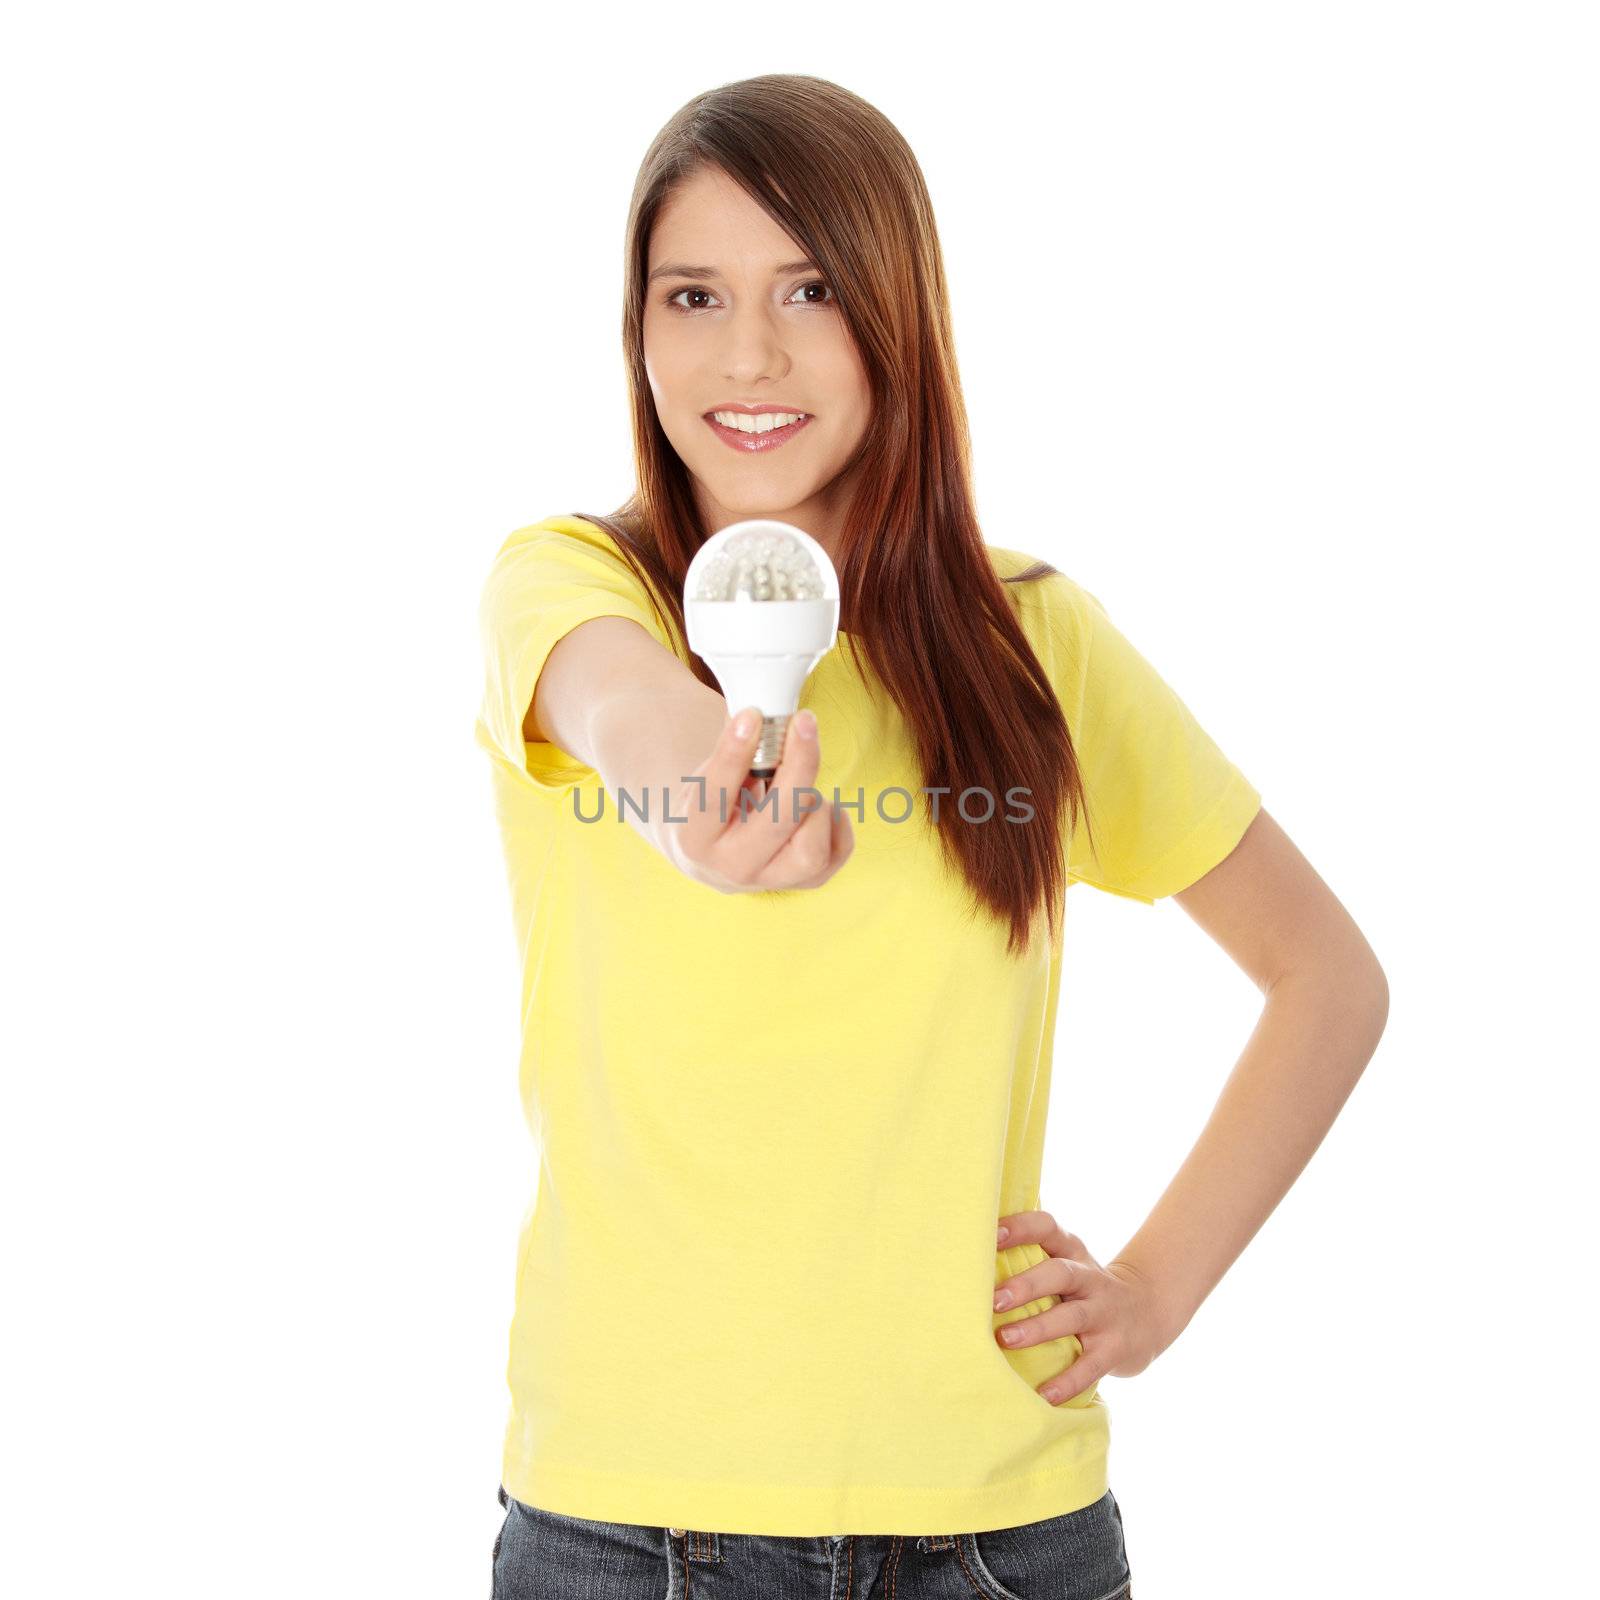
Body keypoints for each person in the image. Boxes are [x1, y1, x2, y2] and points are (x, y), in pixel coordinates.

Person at [474, 73, 1388, 1600]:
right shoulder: (571, 585)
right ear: (636, 333)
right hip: (628, 1531)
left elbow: (1328, 980)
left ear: (898, 314)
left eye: (812, 289)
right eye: (692, 294)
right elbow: (621, 704)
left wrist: (1155, 1290)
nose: (748, 355)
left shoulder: (1033, 639)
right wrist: (696, 792)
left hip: (1000, 1538)